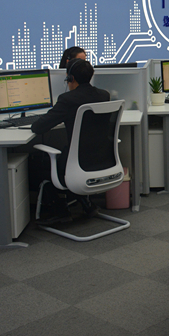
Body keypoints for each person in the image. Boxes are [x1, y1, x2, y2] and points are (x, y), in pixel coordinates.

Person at [31, 59, 110, 224]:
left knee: (37, 163)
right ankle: (85, 204)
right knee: (66, 159)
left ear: (70, 78)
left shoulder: (67, 100)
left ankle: (60, 210)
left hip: (76, 163)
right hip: (102, 159)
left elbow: (39, 127)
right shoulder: (104, 95)